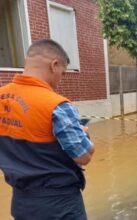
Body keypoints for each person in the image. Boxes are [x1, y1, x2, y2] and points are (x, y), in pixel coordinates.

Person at [0, 39, 94, 220]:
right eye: (63, 73)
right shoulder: (56, 105)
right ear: (54, 65)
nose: (60, 80)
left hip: (21, 203)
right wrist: (83, 133)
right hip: (59, 205)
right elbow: (84, 156)